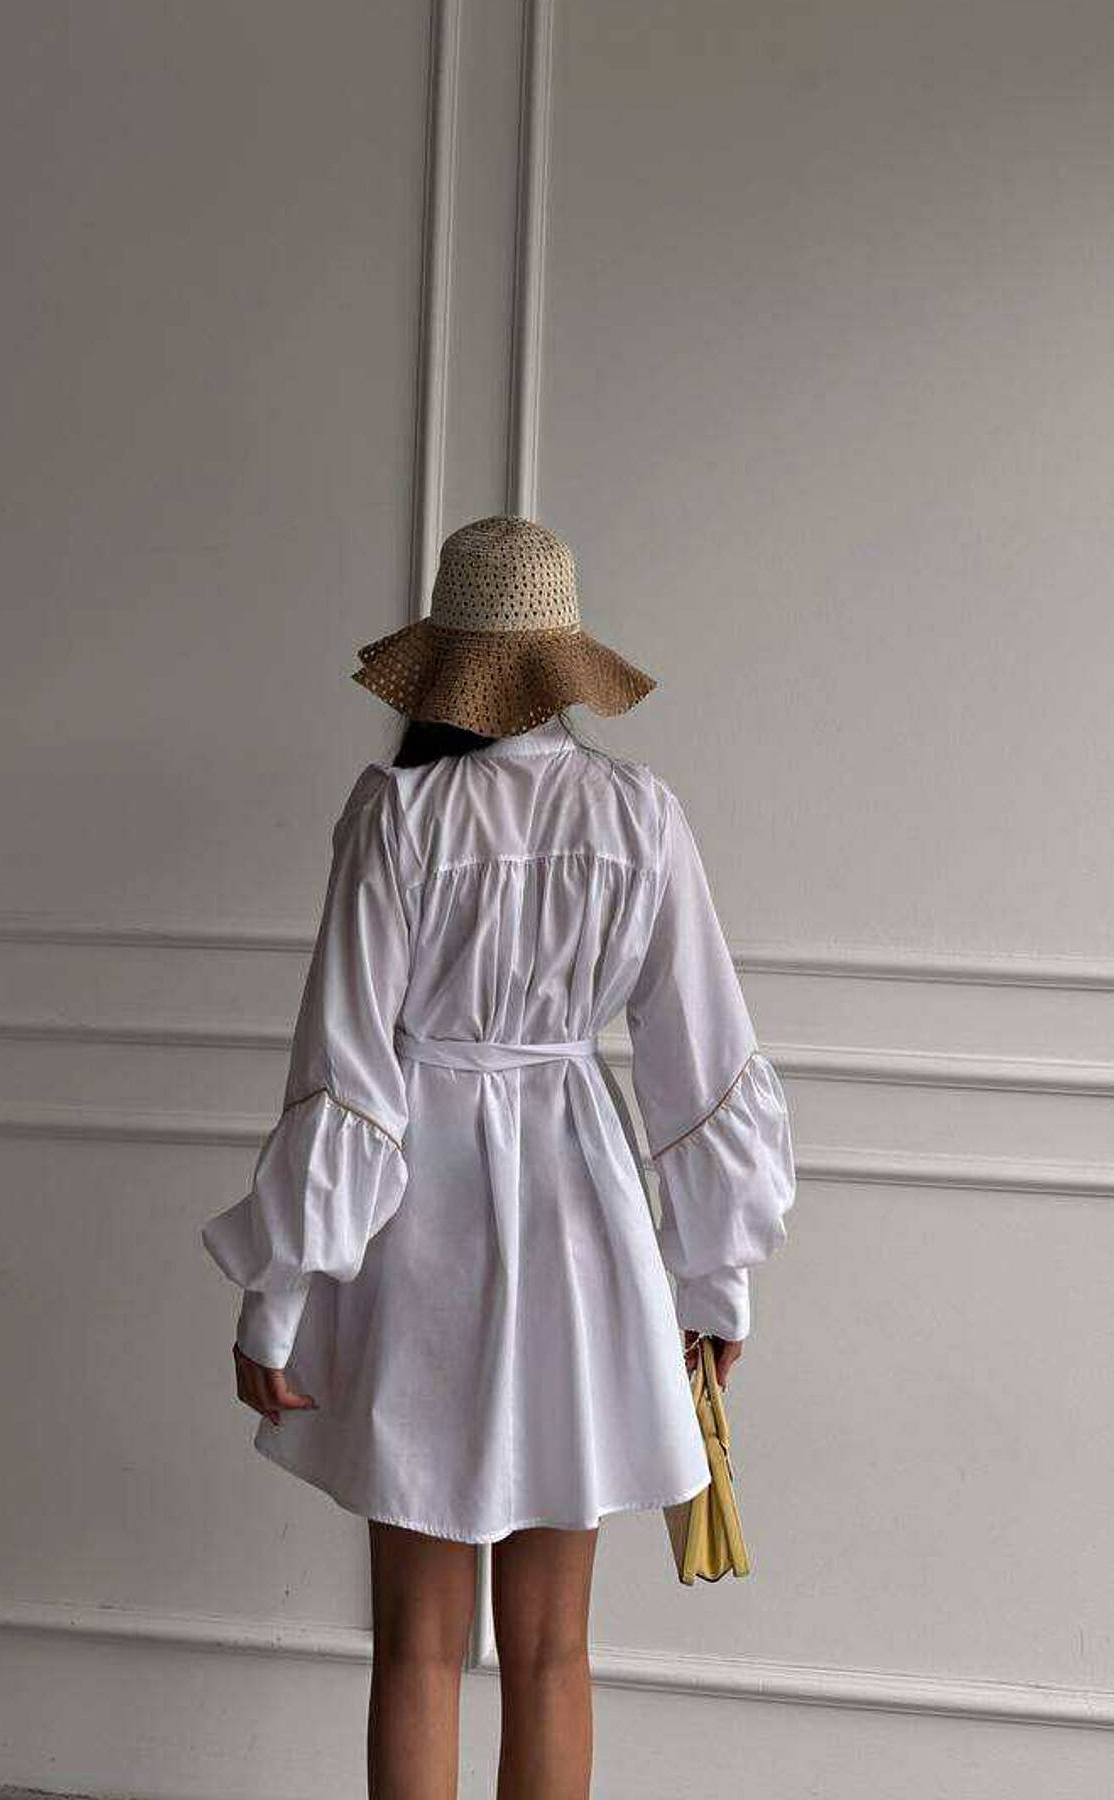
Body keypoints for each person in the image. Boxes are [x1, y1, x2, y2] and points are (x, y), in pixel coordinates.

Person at [200, 514, 796, 1798]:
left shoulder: (398, 816)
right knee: (554, 1652)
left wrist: (275, 1299)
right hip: (582, 1218)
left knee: (418, 1649)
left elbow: (347, 1076)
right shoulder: (637, 816)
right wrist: (716, 1284)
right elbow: (703, 1067)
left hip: (419, 1225)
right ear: (563, 663)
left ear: (443, 665)